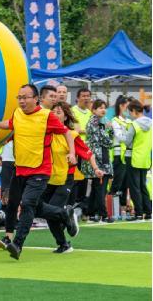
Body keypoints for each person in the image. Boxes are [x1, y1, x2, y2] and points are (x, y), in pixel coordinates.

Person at [0, 84, 79, 260]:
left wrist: (72, 153)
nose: (22, 100)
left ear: (36, 99)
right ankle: (64, 213)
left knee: (28, 205)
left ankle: (17, 244)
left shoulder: (46, 116)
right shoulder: (17, 113)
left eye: (25, 97)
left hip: (40, 170)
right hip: (20, 169)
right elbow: (10, 124)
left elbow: (66, 133)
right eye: (19, 97)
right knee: (22, 204)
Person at [46, 102, 104, 253]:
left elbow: (87, 153)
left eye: (58, 112)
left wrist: (96, 169)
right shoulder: (46, 134)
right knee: (48, 213)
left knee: (52, 211)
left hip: (66, 179)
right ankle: (64, 240)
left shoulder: (71, 135)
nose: (54, 115)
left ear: (65, 117)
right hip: (48, 179)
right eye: (52, 112)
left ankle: (66, 225)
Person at [80, 99, 114, 223]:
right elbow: (105, 140)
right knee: (100, 188)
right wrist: (108, 129)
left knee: (97, 188)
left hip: (101, 156)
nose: (103, 110)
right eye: (100, 107)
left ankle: (91, 213)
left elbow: (109, 142)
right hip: (97, 159)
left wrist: (108, 129)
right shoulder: (94, 122)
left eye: (104, 107)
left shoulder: (102, 122)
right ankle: (103, 215)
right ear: (93, 110)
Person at [125, 99, 152, 220]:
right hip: (146, 158)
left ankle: (139, 213)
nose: (130, 115)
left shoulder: (134, 124)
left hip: (133, 157)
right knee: (142, 186)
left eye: (130, 112)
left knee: (134, 187)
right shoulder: (151, 123)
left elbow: (126, 141)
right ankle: (148, 212)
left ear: (134, 111)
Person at [70, 88, 93, 209]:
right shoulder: (72, 111)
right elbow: (77, 130)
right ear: (78, 98)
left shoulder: (90, 113)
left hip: (88, 150)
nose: (86, 98)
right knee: (76, 177)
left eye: (88, 96)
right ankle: (73, 202)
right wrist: (88, 130)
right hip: (77, 149)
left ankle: (81, 205)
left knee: (85, 178)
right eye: (83, 96)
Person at [110, 95, 132, 216]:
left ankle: (123, 209)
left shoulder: (129, 121)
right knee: (117, 182)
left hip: (128, 155)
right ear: (121, 106)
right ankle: (112, 208)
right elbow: (119, 136)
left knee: (125, 183)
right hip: (119, 154)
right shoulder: (115, 120)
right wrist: (130, 138)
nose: (129, 109)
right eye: (127, 106)